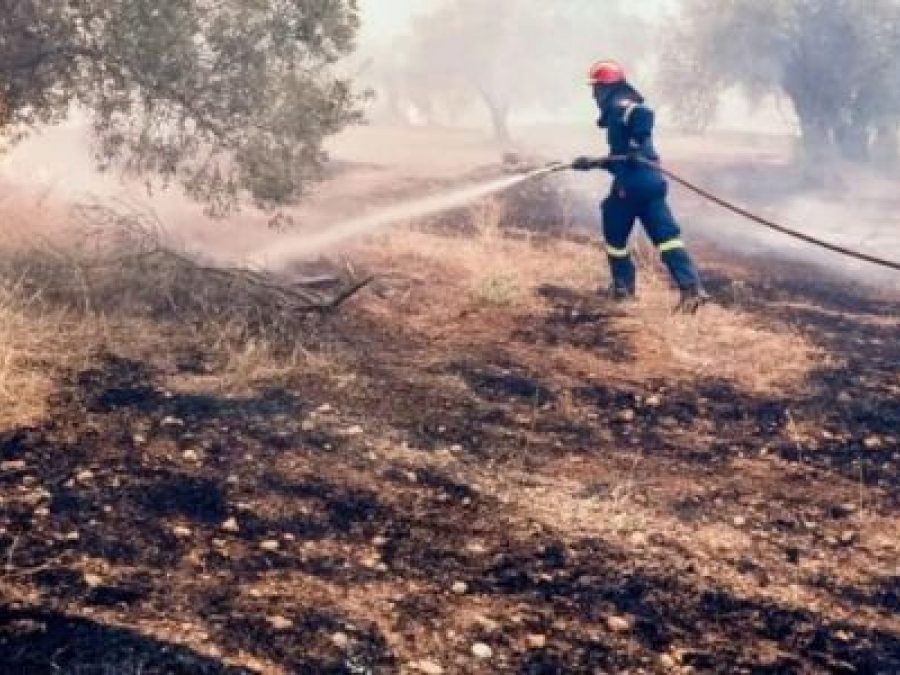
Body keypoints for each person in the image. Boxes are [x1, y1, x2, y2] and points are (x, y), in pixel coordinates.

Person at [573, 60, 709, 313]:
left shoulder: (621, 105)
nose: (593, 94)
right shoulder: (616, 113)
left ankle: (623, 290)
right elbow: (620, 160)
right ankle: (691, 288)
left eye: (596, 88)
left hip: (632, 186)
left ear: (606, 88)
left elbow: (643, 114)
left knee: (614, 231)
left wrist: (638, 141)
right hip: (650, 183)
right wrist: (591, 163)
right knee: (667, 239)